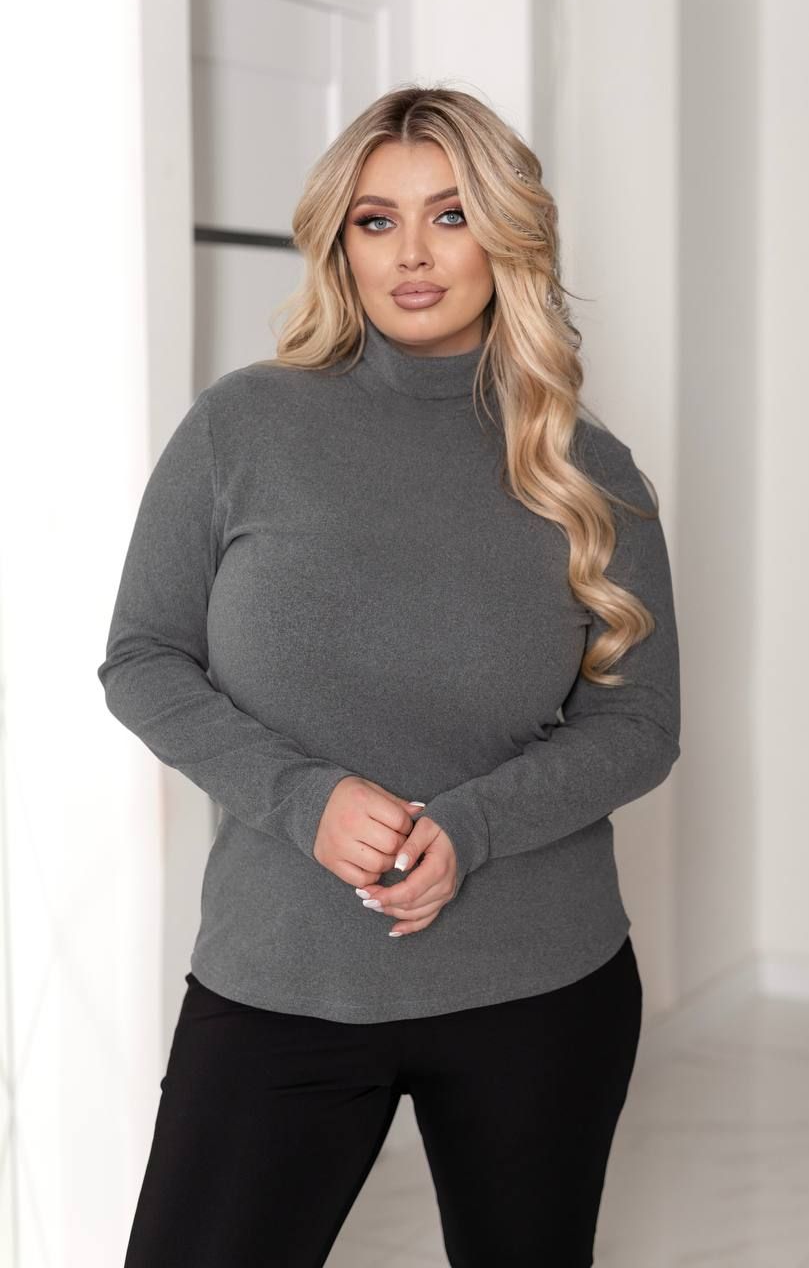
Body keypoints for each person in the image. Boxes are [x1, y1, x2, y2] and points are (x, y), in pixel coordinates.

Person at [100, 82, 681, 1268]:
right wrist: (302, 798)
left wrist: (466, 828)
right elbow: (144, 656)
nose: (411, 253)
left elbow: (639, 726)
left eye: (449, 214)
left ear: (506, 235)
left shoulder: (586, 467)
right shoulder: (240, 428)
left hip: (538, 979)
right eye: (376, 219)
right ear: (340, 242)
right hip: (283, 970)